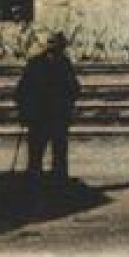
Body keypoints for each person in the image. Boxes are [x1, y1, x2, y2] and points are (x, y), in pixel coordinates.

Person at [14, 31, 81, 185]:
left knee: (56, 155)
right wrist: (25, 112)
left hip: (54, 117)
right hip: (41, 117)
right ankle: (38, 184)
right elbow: (21, 91)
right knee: (38, 155)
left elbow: (75, 89)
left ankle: (55, 184)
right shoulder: (38, 63)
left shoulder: (60, 63)